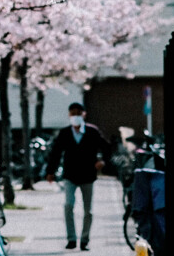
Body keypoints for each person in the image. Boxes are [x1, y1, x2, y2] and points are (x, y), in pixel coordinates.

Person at [45, 102, 112, 251]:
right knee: (68, 205)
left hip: (88, 176)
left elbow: (107, 147)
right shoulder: (65, 133)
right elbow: (56, 153)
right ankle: (71, 239)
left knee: (88, 210)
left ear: (84, 114)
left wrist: (102, 161)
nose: (75, 116)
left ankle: (84, 239)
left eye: (78, 113)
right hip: (70, 175)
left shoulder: (92, 132)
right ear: (69, 115)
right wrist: (51, 171)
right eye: (72, 113)